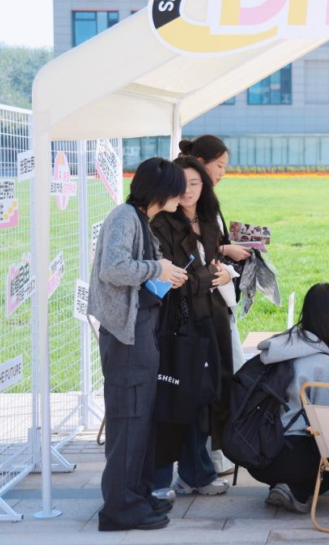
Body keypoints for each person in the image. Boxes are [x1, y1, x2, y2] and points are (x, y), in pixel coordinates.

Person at [88, 157, 189, 532]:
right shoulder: (125, 217)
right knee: (128, 421)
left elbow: (138, 271)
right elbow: (113, 269)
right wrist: (158, 269)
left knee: (140, 420)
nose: (182, 196)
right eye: (177, 190)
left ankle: (137, 496)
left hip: (140, 331)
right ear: (161, 190)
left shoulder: (140, 220)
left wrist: (166, 274)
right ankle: (120, 508)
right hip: (125, 336)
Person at [150, 156, 235, 498]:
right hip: (178, 322)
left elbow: (217, 261)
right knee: (176, 398)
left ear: (205, 185)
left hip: (212, 318)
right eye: (182, 184)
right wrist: (212, 274)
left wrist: (226, 272)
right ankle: (163, 479)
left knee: (206, 397)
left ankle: (196, 473)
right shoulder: (161, 223)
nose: (188, 191)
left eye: (195, 183)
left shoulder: (210, 217)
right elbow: (173, 277)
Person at [178, 135, 251, 477]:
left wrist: (224, 257)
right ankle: (206, 461)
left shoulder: (207, 207)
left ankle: (216, 456)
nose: (222, 173)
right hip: (195, 310)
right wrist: (222, 260)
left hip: (215, 303)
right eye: (219, 166)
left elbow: (208, 250)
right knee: (210, 381)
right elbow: (189, 260)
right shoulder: (172, 216)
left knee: (225, 376)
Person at [247, 283, 329, 513]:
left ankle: (282, 484)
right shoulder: (323, 363)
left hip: (254, 449)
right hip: (289, 455)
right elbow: (325, 422)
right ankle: (297, 489)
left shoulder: (282, 345)